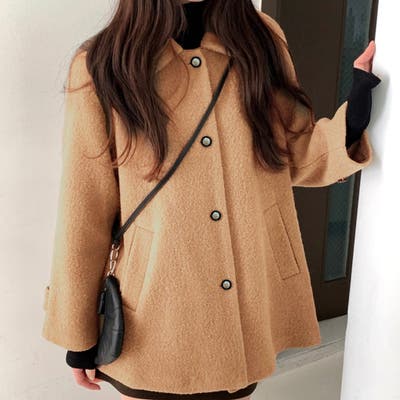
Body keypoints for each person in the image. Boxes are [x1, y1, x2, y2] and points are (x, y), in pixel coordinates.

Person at [41, 1, 381, 399]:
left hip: (242, 305)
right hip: (152, 318)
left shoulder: (259, 39)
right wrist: (78, 332)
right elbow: (85, 210)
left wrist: (354, 117)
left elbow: (293, 152)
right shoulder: (103, 64)